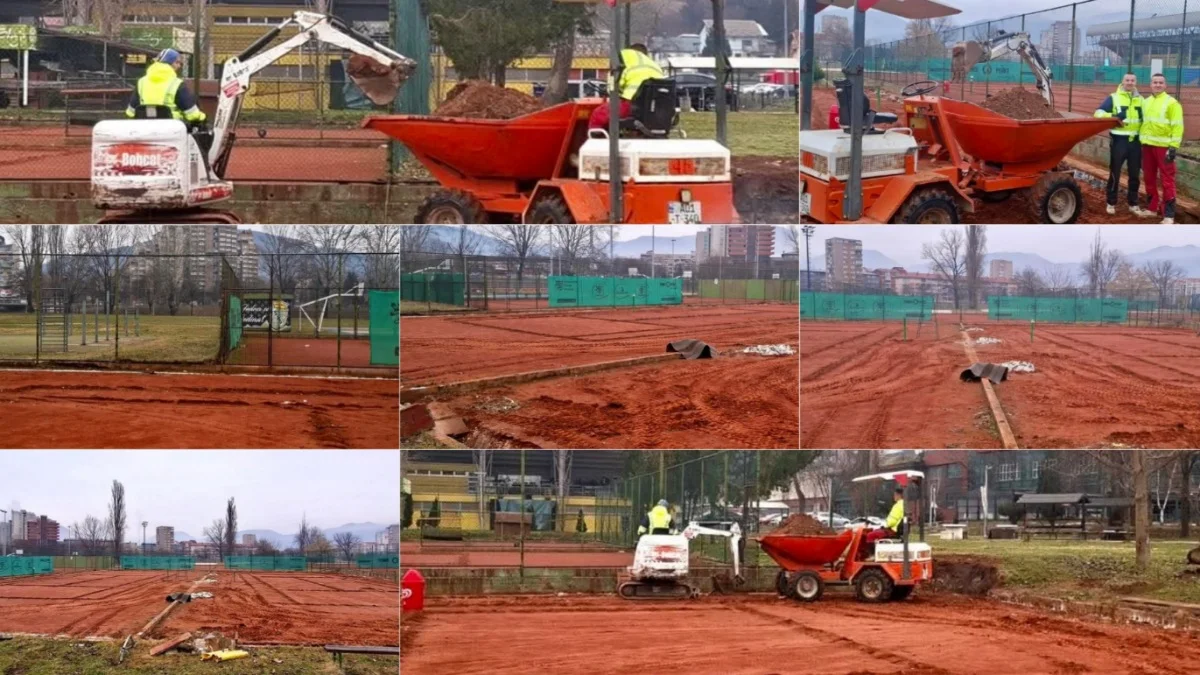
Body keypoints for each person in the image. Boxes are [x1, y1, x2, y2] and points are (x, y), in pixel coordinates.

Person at [1094, 73, 1150, 217]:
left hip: (1135, 143)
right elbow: (1098, 113)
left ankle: (1133, 203)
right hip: (1119, 141)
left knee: (1134, 174)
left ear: (1135, 82)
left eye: (1132, 80)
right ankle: (1111, 203)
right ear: (1122, 82)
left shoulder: (1141, 99)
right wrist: (1114, 118)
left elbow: (1146, 119)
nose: (1130, 82)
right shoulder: (1113, 97)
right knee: (1115, 173)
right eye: (1127, 80)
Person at [1140, 73, 1185, 224]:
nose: (1158, 85)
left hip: (1164, 147)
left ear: (1165, 86)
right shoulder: (1145, 102)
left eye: (1161, 83)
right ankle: (1152, 208)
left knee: (1167, 180)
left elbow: (1177, 126)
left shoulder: (1172, 103)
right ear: (1150, 85)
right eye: (1155, 82)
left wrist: (1173, 147)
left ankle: (1169, 215)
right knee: (1149, 178)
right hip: (1147, 146)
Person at [588, 43, 665, 131]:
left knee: (598, 114)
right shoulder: (654, 65)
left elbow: (615, 84)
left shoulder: (623, 59)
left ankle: (597, 140)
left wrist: (609, 88)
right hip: (656, 108)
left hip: (632, 104)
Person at [126, 48, 207, 125]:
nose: (179, 66)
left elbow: (131, 112)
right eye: (177, 62)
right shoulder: (176, 84)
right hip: (171, 129)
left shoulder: (141, 82)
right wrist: (202, 117)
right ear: (169, 63)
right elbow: (192, 115)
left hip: (145, 128)